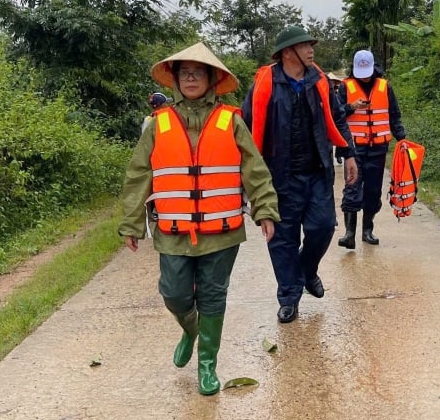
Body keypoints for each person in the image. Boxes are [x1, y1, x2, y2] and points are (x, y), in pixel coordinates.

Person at [119, 42, 279, 395]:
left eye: (198, 72)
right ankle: (190, 329)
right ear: (176, 80)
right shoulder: (157, 124)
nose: (191, 78)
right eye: (185, 73)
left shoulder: (231, 121)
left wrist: (265, 209)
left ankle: (207, 364)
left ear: (211, 79)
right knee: (174, 294)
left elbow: (254, 169)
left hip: (222, 231)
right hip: (174, 230)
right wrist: (132, 222)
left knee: (213, 296)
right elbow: (138, 174)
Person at [242, 25, 358, 324]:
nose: (311, 50)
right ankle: (289, 297)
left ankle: (307, 270)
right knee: (282, 240)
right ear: (287, 52)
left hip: (317, 172)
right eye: (305, 45)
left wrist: (348, 153)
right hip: (279, 176)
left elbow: (337, 117)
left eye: (311, 45)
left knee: (323, 226)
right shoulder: (265, 84)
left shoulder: (319, 80)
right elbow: (246, 126)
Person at [337, 49, 406, 248]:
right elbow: (336, 114)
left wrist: (401, 137)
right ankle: (349, 234)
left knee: (373, 192)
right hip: (353, 150)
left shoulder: (385, 87)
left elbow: (394, 115)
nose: (365, 78)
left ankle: (367, 230)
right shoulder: (345, 87)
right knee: (352, 188)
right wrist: (351, 107)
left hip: (378, 149)